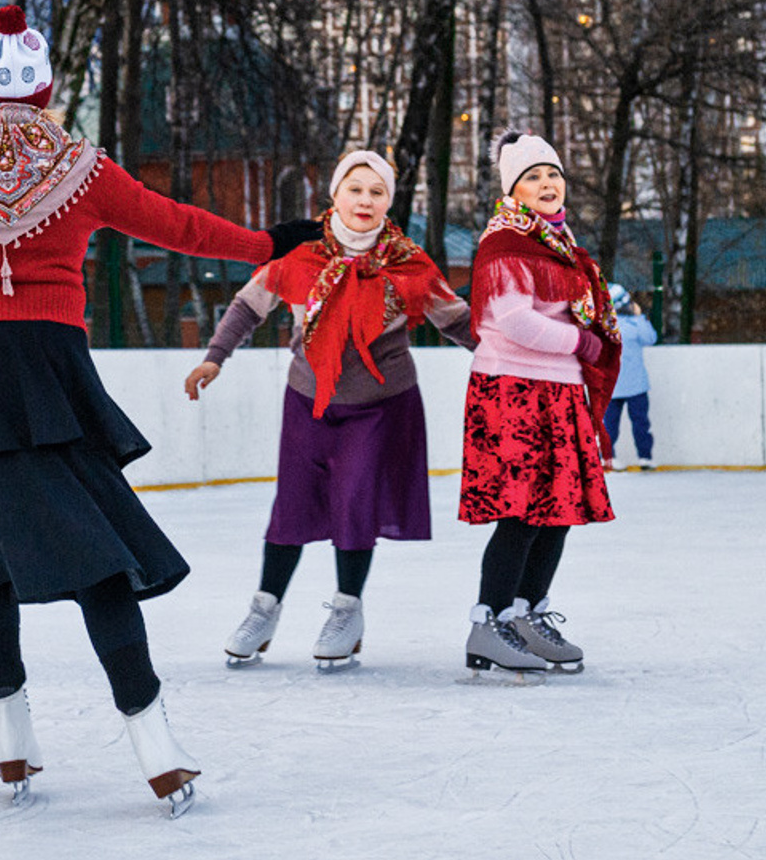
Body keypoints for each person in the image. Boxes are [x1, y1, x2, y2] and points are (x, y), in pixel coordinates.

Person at [0, 4, 321, 818]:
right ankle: (154, 743)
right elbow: (178, 226)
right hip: (47, 368)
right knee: (97, 555)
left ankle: (10, 737)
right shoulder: (82, 169)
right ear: (45, 91)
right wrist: (267, 244)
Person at [183, 149, 475, 670]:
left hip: (380, 404)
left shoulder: (408, 263)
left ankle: (346, 612)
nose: (365, 200)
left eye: (377, 192)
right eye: (355, 189)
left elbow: (453, 318)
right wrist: (215, 357)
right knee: (291, 507)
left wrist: (505, 358)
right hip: (308, 399)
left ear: (389, 202)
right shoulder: (301, 257)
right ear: (334, 196)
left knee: (356, 502)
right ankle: (264, 610)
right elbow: (249, 305)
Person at [460, 130, 620, 679]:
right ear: (513, 190)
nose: (548, 183)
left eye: (553, 173)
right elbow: (515, 321)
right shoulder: (505, 242)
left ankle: (525, 614)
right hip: (514, 389)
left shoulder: (558, 242)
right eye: (533, 176)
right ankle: (489, 622)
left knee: (560, 512)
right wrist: (583, 342)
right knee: (522, 512)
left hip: (559, 390)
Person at [603, 283, 658, 469]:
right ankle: (645, 457)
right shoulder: (635, 324)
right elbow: (651, 338)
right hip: (636, 385)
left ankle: (608, 457)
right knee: (641, 422)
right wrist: (640, 317)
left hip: (612, 386)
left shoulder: (604, 326)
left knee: (610, 424)